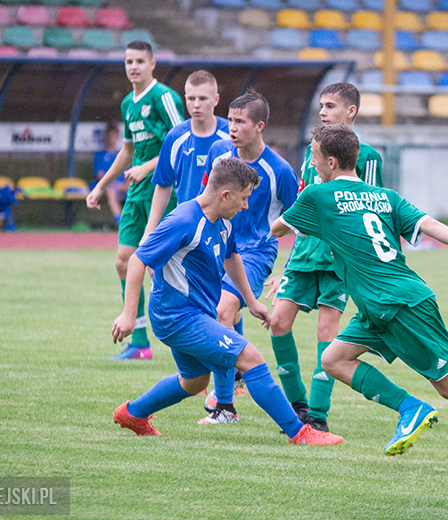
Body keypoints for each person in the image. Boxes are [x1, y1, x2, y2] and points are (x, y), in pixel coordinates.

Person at [270, 124, 448, 468]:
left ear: (331, 162)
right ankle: (411, 407)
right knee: (333, 359)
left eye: (314, 158)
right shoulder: (384, 196)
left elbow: (276, 230)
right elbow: (429, 224)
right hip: (381, 305)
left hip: (400, 304)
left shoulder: (318, 196)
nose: (311, 165)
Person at [110, 156, 343, 447]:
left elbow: (232, 258)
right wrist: (129, 315)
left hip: (196, 313)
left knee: (194, 381)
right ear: (225, 195)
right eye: (244, 198)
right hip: (176, 316)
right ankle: (300, 432)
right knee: (250, 358)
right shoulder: (183, 220)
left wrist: (251, 300)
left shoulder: (224, 221)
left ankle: (133, 414)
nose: (246, 206)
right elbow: (137, 260)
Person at [263, 82, 384, 433]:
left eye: (330, 106)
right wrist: (284, 265)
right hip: (303, 255)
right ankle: (297, 402)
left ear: (351, 112)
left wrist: (369, 270)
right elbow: (302, 211)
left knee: (326, 330)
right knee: (278, 322)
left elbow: (372, 211)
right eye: (321, 106)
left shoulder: (369, 157)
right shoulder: (310, 154)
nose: (323, 111)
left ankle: (317, 413)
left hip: (338, 260)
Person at [198, 90, 299, 424]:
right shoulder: (217, 153)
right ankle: (235, 375)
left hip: (256, 251)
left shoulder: (279, 171)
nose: (232, 127)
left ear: (260, 126)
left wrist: (290, 268)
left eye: (240, 122)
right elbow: (206, 197)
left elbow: (301, 221)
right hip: (219, 246)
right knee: (221, 312)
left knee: (222, 312)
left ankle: (224, 406)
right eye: (231, 120)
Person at [86, 40, 184, 361]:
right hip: (136, 195)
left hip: (165, 191)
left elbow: (182, 142)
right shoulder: (128, 103)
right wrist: (101, 186)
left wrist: (147, 166)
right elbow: (126, 152)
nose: (133, 67)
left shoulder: (165, 98)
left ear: (152, 64)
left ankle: (185, 331)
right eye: (129, 61)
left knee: (164, 268)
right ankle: (140, 342)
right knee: (123, 261)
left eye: (140, 61)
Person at [141, 69, 230, 240]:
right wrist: (149, 230)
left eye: (203, 98)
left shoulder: (231, 136)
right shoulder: (175, 137)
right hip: (187, 227)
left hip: (225, 227)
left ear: (216, 99)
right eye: (191, 98)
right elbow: (163, 185)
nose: (196, 104)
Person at [92, 122, 129, 228]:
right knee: (111, 190)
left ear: (118, 136)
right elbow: (100, 176)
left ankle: (137, 222)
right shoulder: (100, 155)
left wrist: (126, 184)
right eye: (109, 136)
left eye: (114, 135)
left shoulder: (122, 154)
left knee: (136, 188)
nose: (112, 138)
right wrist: (115, 185)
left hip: (122, 187)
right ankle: (121, 222)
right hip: (107, 187)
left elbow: (128, 173)